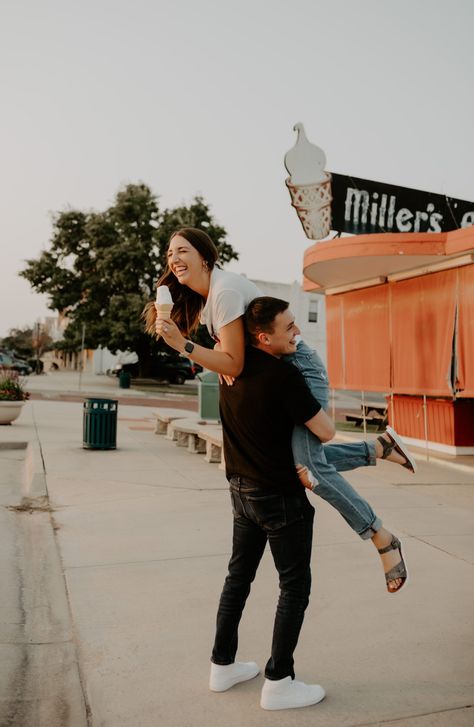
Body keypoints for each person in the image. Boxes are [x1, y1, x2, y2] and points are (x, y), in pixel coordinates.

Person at [143, 227, 413, 593]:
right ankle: (378, 448)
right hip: (282, 373)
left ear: (205, 257)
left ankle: (381, 535)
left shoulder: (223, 291)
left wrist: (184, 346)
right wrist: (220, 359)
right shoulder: (214, 298)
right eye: (169, 253)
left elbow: (236, 364)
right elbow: (234, 355)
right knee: (298, 462)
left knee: (311, 470)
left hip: (298, 368)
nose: (173, 259)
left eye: (182, 250)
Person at [210, 296, 335, 709]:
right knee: (294, 586)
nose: (297, 332)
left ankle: (222, 666)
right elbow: (327, 431)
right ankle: (279, 681)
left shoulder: (229, 368)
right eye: (290, 328)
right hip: (280, 499)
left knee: (237, 579)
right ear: (264, 337)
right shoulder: (283, 378)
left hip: (241, 494)